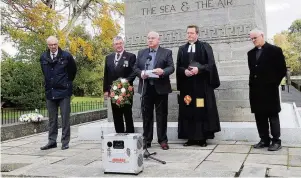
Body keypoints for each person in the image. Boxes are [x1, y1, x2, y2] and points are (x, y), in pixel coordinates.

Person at [176, 25, 221, 147]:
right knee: (188, 109)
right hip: (187, 88)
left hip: (201, 88)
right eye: (188, 33)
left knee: (200, 110)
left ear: (197, 34)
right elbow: (178, 66)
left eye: (191, 33)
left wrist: (199, 69)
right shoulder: (182, 49)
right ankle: (190, 138)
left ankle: (202, 138)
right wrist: (184, 71)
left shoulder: (205, 47)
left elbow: (210, 64)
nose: (189, 35)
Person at [134, 31, 174, 150]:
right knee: (147, 115)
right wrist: (141, 73)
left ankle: (162, 140)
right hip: (146, 87)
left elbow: (171, 67)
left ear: (158, 40)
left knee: (162, 115)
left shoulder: (166, 52)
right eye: (148, 38)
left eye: (152, 38)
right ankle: (147, 139)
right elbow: (135, 67)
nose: (150, 40)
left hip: (161, 88)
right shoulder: (142, 53)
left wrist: (163, 71)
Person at [248, 28, 287, 151]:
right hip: (256, 91)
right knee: (259, 116)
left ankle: (276, 141)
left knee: (272, 115)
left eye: (255, 38)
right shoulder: (250, 53)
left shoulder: (275, 50)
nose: (253, 40)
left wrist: (273, 83)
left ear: (262, 35)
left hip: (270, 90)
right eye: (252, 39)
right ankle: (264, 140)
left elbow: (282, 70)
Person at [40, 36, 77, 150]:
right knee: (52, 118)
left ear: (58, 44)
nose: (53, 47)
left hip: (64, 91)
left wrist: (66, 83)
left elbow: (73, 71)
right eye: (50, 45)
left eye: (54, 44)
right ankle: (52, 141)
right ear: (48, 45)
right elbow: (45, 73)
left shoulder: (66, 56)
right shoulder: (43, 57)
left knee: (65, 118)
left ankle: (65, 141)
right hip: (50, 92)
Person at [103, 36, 136, 133]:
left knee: (127, 113)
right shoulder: (108, 58)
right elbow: (106, 74)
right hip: (113, 91)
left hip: (126, 90)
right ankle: (119, 134)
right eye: (116, 44)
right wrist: (106, 90)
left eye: (120, 43)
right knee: (116, 114)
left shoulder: (131, 56)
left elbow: (134, 72)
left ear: (123, 44)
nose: (119, 46)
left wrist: (125, 81)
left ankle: (130, 134)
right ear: (113, 45)